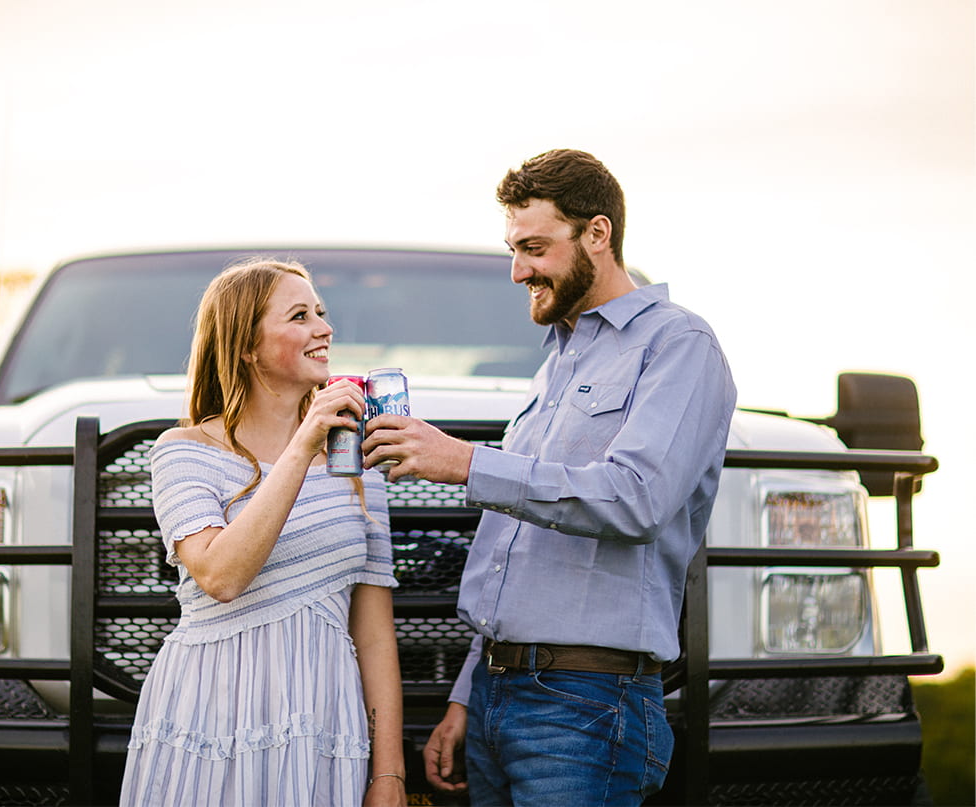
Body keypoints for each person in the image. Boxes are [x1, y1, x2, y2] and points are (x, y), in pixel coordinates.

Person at [362, 149, 737, 806]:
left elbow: (636, 499)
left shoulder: (678, 344)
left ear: (598, 232)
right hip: (496, 697)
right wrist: (465, 697)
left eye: (533, 247)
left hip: (587, 705)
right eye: (513, 248)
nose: (517, 270)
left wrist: (466, 462)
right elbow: (517, 556)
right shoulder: (556, 362)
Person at [121, 258, 407, 807]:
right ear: (246, 347)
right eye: (300, 316)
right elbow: (221, 575)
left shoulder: (356, 466)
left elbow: (373, 634)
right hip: (212, 712)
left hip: (322, 718)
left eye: (321, 313)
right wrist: (304, 444)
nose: (323, 328)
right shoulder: (181, 451)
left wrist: (389, 774)